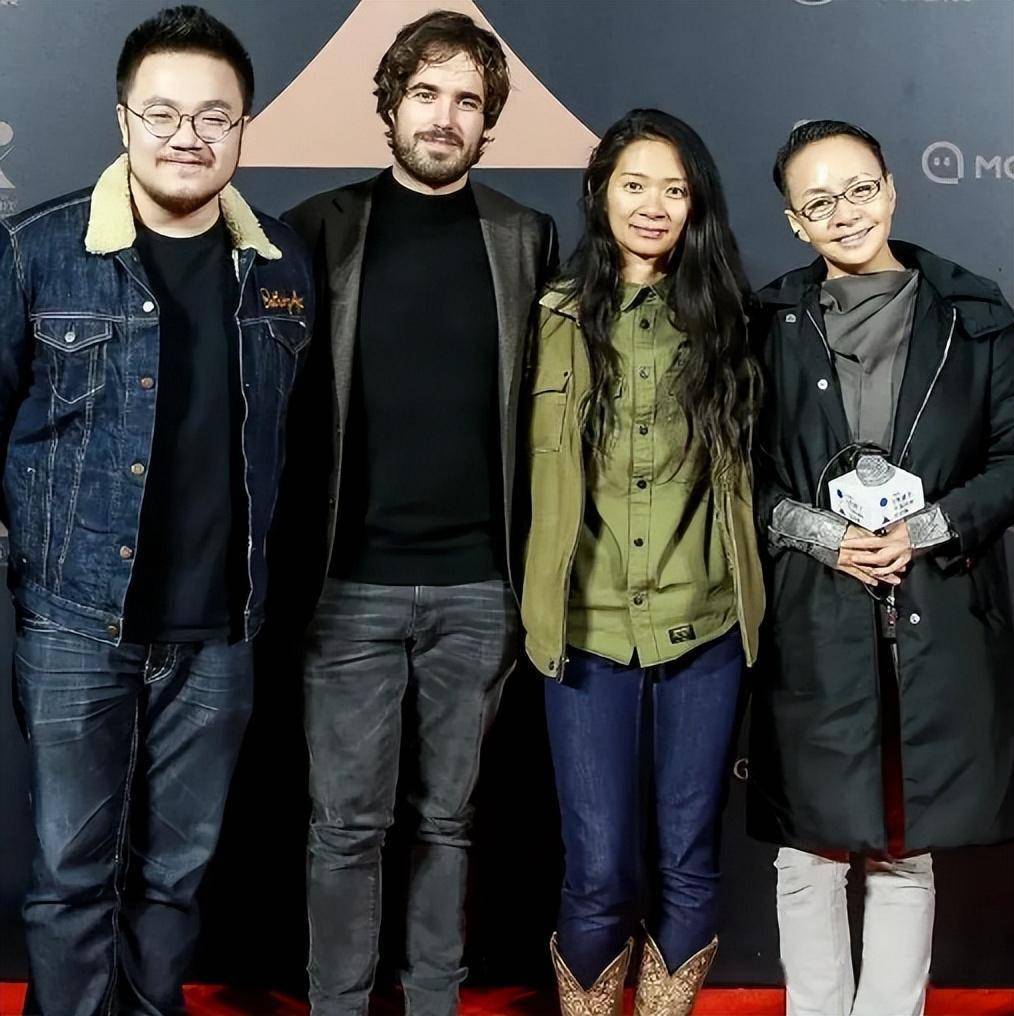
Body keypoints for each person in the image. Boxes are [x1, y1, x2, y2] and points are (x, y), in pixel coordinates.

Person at [0, 5, 313, 1014]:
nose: (189, 136)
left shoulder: (280, 265)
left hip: (220, 631)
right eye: (164, 113)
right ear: (123, 120)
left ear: (242, 126)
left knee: (176, 878)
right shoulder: (38, 250)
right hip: (75, 622)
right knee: (69, 876)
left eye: (214, 116)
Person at [278, 10, 556, 1015]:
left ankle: (433, 1000)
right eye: (426, 94)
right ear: (391, 104)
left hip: (480, 589)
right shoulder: (316, 228)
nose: (444, 117)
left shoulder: (525, 237)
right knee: (344, 829)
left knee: (449, 824)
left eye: (467, 101)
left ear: (490, 122)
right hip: (347, 588)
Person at [750, 119, 1014, 1016]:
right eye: (819, 201)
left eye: (860, 188)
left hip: (934, 613)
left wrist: (929, 528)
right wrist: (819, 534)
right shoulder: (767, 324)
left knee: (907, 847)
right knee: (808, 850)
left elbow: (1012, 459)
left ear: (892, 189)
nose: (846, 212)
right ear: (795, 221)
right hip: (813, 618)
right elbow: (735, 473)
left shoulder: (974, 314)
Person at [520, 108, 764, 1016]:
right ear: (599, 193)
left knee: (689, 860)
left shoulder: (733, 322)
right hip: (584, 632)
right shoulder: (548, 317)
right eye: (634, 184)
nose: (653, 205)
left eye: (675, 188)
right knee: (598, 870)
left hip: (705, 629)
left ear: (697, 204)